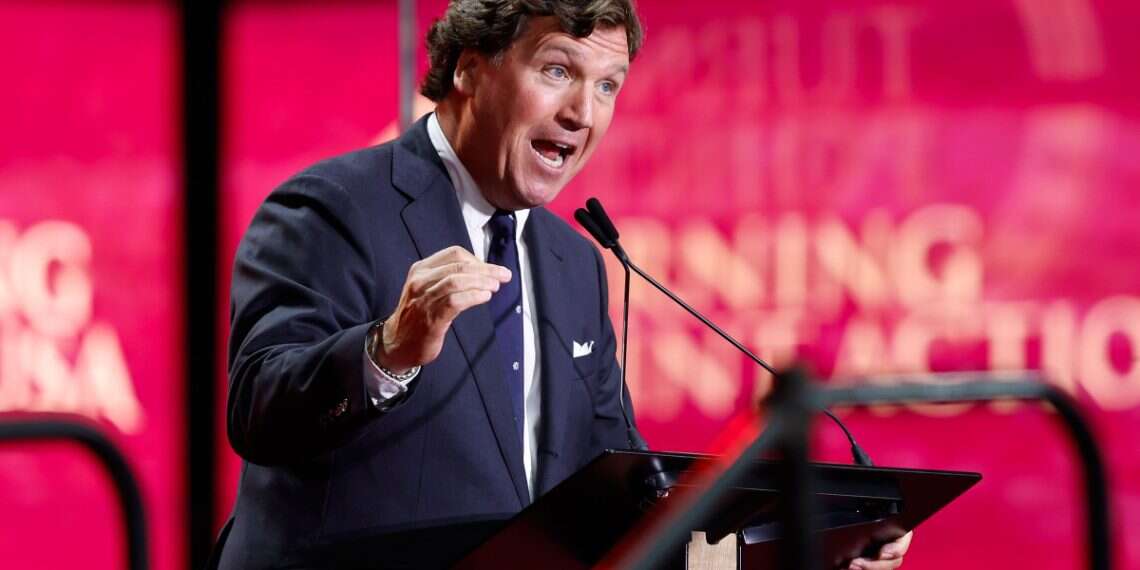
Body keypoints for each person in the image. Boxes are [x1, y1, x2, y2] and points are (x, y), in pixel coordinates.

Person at [215, 1, 912, 568]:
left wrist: (812, 550)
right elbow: (257, 409)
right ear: (470, 69)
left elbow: (629, 497)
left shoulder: (572, 262)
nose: (583, 112)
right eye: (557, 70)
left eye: (608, 86)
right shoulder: (334, 208)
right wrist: (388, 350)